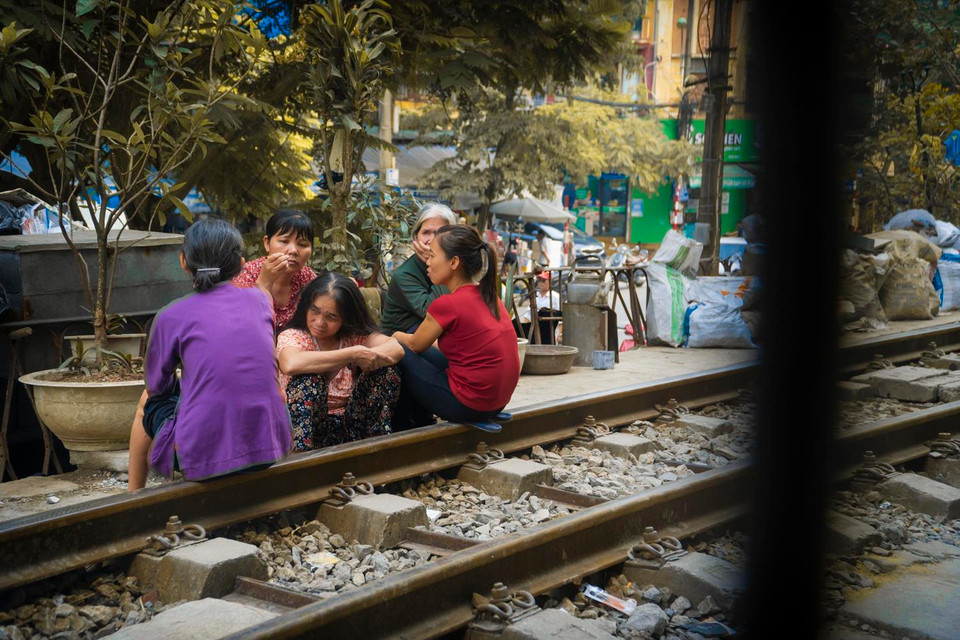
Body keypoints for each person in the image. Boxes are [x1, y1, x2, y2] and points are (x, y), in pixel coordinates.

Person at [128, 219, 291, 491]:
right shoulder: (261, 300)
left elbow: (157, 386)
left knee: (147, 400)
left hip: (202, 457)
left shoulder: (170, 315)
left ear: (183, 261)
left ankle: (134, 494)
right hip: (272, 447)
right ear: (241, 264)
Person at [392, 225, 520, 432]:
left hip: (468, 406)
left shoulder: (447, 304)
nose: (427, 261)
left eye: (432, 256)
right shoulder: (489, 296)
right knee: (418, 347)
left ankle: (404, 425)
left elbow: (415, 345)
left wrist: (394, 335)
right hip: (497, 403)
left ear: (454, 262)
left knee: (398, 348)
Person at [277, 272, 404, 451]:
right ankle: (301, 457)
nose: (319, 322)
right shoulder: (294, 336)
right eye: (314, 310)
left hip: (350, 424)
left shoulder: (353, 338)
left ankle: (375, 445)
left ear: (345, 318)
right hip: (308, 429)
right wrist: (351, 355)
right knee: (307, 381)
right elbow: (290, 364)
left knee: (386, 372)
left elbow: (396, 349)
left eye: (331, 317)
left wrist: (365, 355)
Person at [380, 203, 458, 333]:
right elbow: (434, 313)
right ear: (415, 238)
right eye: (426, 233)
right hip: (399, 339)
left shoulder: (456, 264)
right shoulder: (404, 275)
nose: (432, 240)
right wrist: (438, 264)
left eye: (440, 233)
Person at [233, 210, 317, 330]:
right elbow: (237, 321)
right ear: (267, 243)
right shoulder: (247, 274)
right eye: (284, 241)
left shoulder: (307, 278)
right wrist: (263, 282)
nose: (293, 250)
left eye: (302, 244)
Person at [519, 271, 561, 345]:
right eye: (539, 281)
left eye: (543, 281)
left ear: (550, 282)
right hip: (535, 332)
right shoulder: (535, 296)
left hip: (550, 332)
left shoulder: (555, 297)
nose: (540, 283)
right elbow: (527, 316)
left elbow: (560, 318)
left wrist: (559, 334)